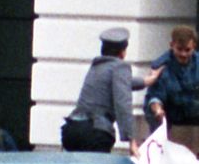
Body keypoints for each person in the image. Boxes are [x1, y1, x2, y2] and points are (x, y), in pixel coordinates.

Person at [62, 27, 162, 155]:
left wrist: (148, 80)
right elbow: (122, 103)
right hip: (95, 132)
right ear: (122, 52)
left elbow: (124, 83)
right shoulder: (120, 67)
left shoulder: (97, 66)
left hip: (72, 130)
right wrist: (131, 140)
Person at [144, 26, 199, 138]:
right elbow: (155, 96)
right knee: (157, 119)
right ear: (172, 46)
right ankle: (157, 151)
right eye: (179, 49)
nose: (183, 54)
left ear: (194, 46)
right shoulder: (160, 65)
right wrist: (158, 110)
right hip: (165, 108)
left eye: (187, 50)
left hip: (187, 106)